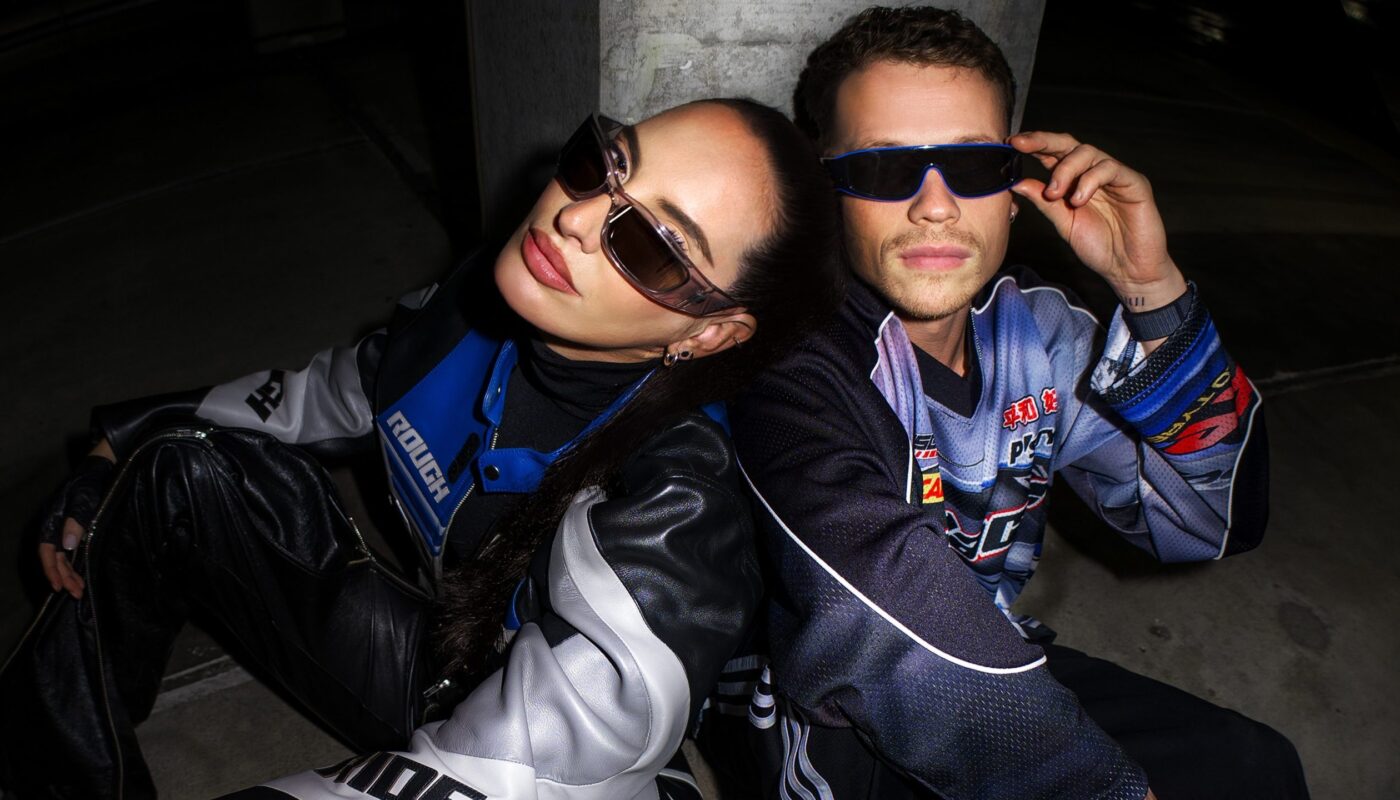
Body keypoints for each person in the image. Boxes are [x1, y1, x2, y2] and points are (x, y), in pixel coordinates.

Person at [0, 98, 841, 799]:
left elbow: (504, 774)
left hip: (559, 763)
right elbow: (321, 396)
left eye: (652, 247)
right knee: (172, 470)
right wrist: (118, 447)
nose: (574, 217)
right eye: (601, 164)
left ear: (709, 334)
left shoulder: (681, 508)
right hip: (435, 659)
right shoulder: (475, 308)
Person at [698, 7, 1308, 800]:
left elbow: (1211, 521)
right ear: (827, 195)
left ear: (1015, 192)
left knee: (1255, 767)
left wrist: (1150, 291)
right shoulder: (786, 362)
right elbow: (872, 614)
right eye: (884, 169)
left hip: (993, 657)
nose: (936, 205)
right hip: (823, 719)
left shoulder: (1043, 333)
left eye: (974, 165)